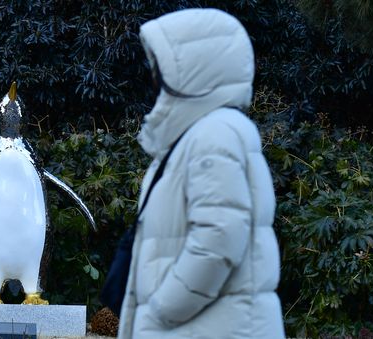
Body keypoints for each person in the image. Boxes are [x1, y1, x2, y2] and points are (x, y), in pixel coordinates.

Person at [117, 8, 286, 338]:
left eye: (163, 65)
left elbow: (218, 237)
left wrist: (164, 309)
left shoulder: (215, 133)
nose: (156, 75)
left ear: (194, 68)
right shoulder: (200, 134)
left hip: (206, 327)